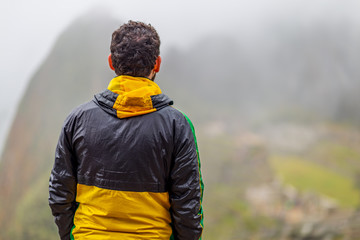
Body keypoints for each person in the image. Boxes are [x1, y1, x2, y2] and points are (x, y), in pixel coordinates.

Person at [49, 20, 204, 240]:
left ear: (111, 62)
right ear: (157, 64)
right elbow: (188, 204)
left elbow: (59, 193)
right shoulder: (177, 125)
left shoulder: (77, 120)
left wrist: (72, 236)